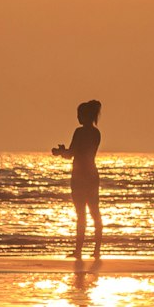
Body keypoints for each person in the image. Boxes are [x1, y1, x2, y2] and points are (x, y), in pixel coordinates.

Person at [52, 99, 102, 262]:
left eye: (79, 114)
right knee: (95, 212)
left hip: (80, 175)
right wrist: (65, 152)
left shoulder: (80, 132)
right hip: (92, 175)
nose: (78, 118)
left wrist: (60, 152)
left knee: (81, 214)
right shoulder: (96, 133)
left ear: (85, 115)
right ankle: (96, 250)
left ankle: (79, 250)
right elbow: (81, 152)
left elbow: (72, 153)